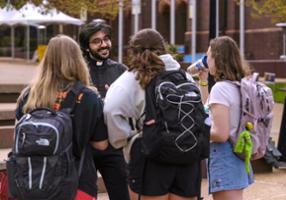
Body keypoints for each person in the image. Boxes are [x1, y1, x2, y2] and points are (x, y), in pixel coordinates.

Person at [104, 28, 201, 200]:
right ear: (164, 49)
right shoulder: (184, 76)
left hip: (149, 154)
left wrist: (125, 140)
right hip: (186, 150)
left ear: (132, 51)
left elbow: (111, 110)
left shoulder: (129, 80)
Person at [15, 34, 108, 200]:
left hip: (33, 182)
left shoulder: (28, 95)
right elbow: (100, 145)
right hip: (77, 183)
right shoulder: (87, 97)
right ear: (77, 60)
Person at [197, 36, 254, 200]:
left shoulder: (221, 89)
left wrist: (195, 133)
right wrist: (203, 82)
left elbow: (220, 134)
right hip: (239, 154)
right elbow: (209, 110)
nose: (206, 61)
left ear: (217, 58)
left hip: (225, 156)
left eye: (208, 56)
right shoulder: (238, 84)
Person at [79, 20, 130, 200]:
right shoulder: (78, 71)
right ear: (86, 47)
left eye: (106, 39)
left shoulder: (122, 71)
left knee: (122, 195)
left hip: (113, 145)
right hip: (85, 146)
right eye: (96, 41)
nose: (104, 44)